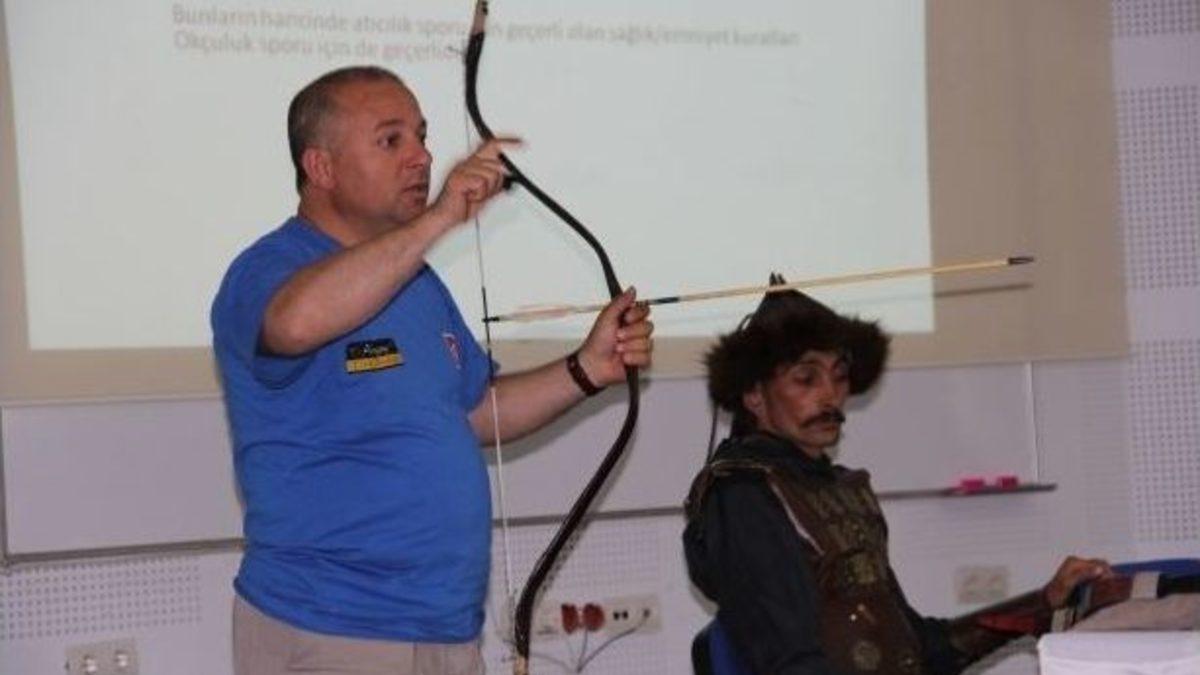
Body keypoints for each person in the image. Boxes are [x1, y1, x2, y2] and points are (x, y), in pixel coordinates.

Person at [211, 65, 653, 675]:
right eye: (391, 140)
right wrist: (441, 218)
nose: (421, 157)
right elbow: (294, 323)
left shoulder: (415, 281)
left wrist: (586, 368)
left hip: (447, 629)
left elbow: (474, 411)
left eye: (421, 136)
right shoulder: (266, 269)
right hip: (330, 626)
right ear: (321, 168)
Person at [683, 277, 1108, 675]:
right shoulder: (743, 496)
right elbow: (793, 662)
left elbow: (919, 647)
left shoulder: (838, 488)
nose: (830, 395)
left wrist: (1042, 603)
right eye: (806, 378)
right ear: (754, 395)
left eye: (839, 376)